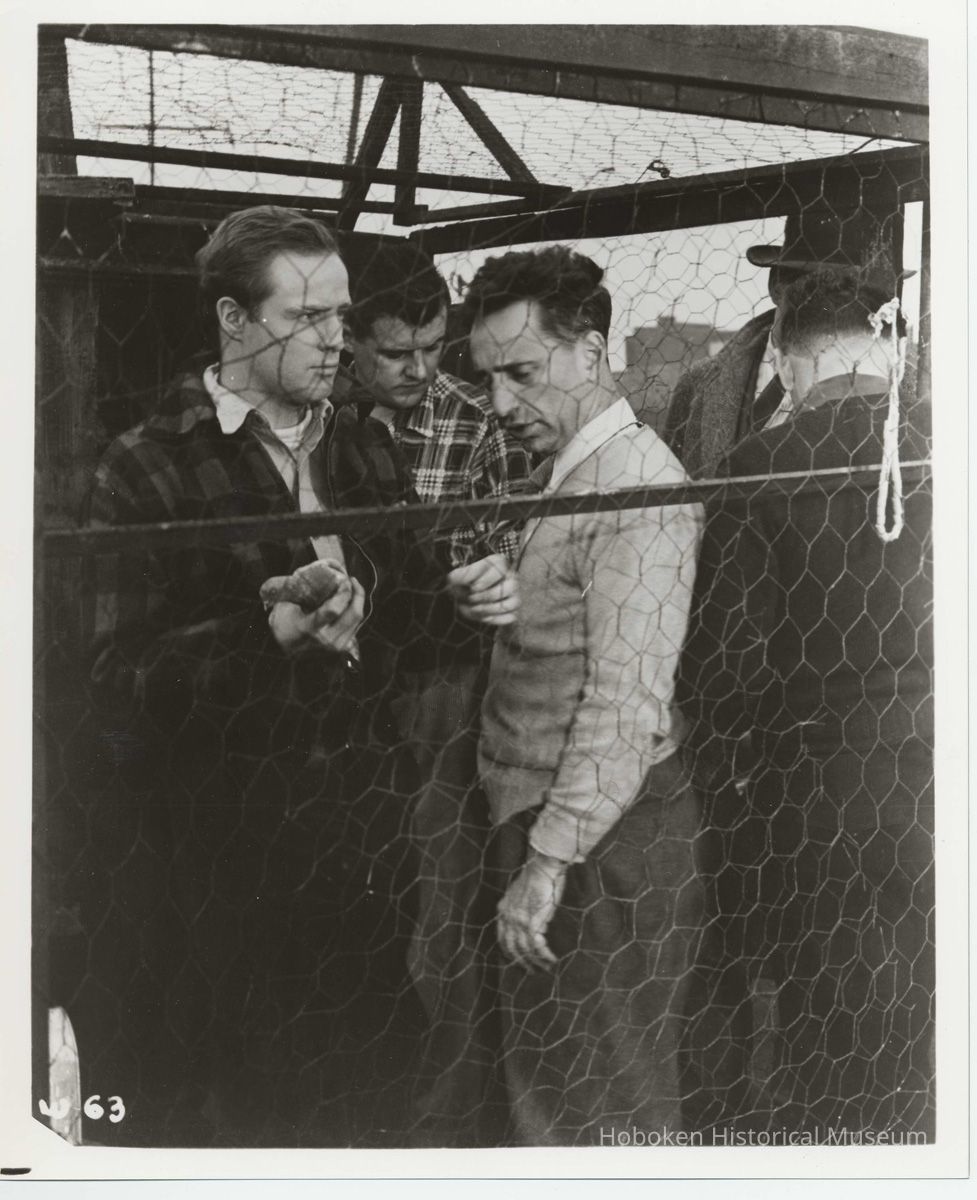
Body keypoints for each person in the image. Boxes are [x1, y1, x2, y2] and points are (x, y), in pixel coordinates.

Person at [80, 206, 515, 1146]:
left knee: (380, 1086)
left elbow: (397, 621)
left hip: (364, 838)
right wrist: (264, 638)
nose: (335, 340)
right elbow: (113, 682)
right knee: (256, 1110)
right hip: (226, 859)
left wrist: (456, 603)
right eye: (305, 317)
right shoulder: (148, 466)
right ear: (233, 321)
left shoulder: (361, 445)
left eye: (340, 315)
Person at [448, 245, 705, 1145]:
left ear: (590, 354)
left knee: (604, 1106)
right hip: (561, 825)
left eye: (521, 372)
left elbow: (629, 702)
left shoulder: (638, 487)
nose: (501, 406)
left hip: (600, 844)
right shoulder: (573, 472)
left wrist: (548, 862)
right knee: (553, 1089)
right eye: (488, 379)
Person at [677, 268, 934, 1138]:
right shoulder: (951, 444)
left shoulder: (761, 464)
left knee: (832, 1008)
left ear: (786, 369)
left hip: (818, 781)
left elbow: (728, 662)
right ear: (889, 351)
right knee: (934, 1003)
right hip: (944, 764)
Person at [342, 242, 533, 1142]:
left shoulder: (476, 422)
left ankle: (441, 1119)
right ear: (344, 339)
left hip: (437, 689)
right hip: (327, 696)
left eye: (431, 347)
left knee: (439, 910)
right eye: (395, 354)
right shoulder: (315, 419)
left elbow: (501, 554)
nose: (420, 371)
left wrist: (477, 579)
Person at [663, 203, 911, 477]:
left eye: (849, 290)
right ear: (776, 285)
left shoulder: (908, 384)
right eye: (815, 286)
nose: (832, 301)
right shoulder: (698, 384)